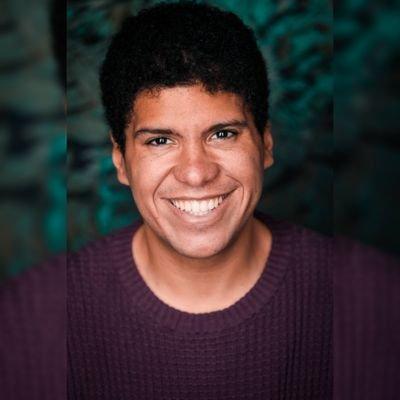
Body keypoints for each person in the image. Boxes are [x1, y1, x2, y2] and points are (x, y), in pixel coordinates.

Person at [67, 2, 332, 399]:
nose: (196, 173)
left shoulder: (366, 300)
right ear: (120, 159)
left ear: (266, 143)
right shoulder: (41, 316)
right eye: (160, 140)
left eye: (223, 134)